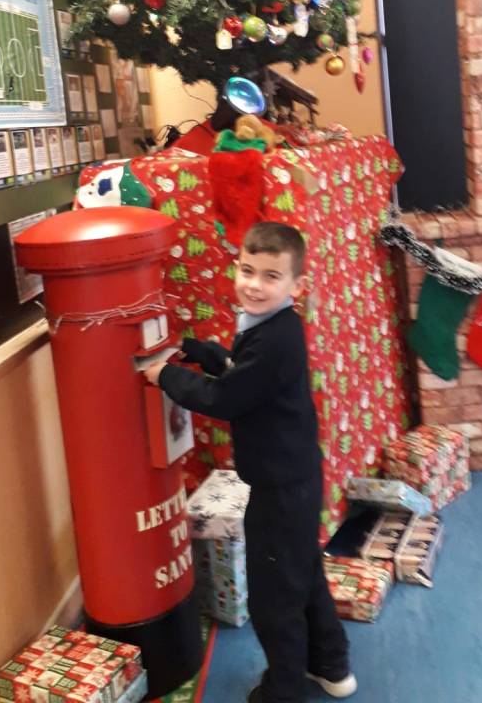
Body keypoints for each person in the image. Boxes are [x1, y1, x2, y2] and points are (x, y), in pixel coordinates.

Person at [144, 221, 355, 703]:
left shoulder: (274, 339)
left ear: (296, 286)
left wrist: (166, 376)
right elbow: (241, 372)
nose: (254, 285)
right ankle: (331, 665)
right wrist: (200, 351)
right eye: (247, 270)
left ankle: (284, 691)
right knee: (303, 574)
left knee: (273, 597)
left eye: (270, 276)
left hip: (280, 489)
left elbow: (226, 397)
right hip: (296, 477)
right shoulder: (273, 325)